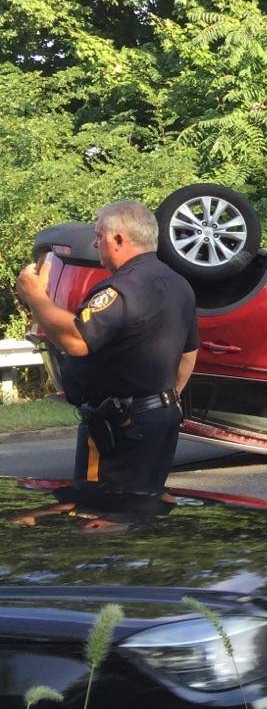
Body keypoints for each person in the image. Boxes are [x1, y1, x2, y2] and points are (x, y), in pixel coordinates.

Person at [14, 200, 199, 495]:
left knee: (99, 516)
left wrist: (35, 297)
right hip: (159, 417)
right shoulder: (179, 283)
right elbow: (189, 353)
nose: (95, 243)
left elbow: (77, 340)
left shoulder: (121, 289)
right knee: (142, 507)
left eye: (99, 236)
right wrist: (165, 399)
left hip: (119, 425)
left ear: (118, 239)